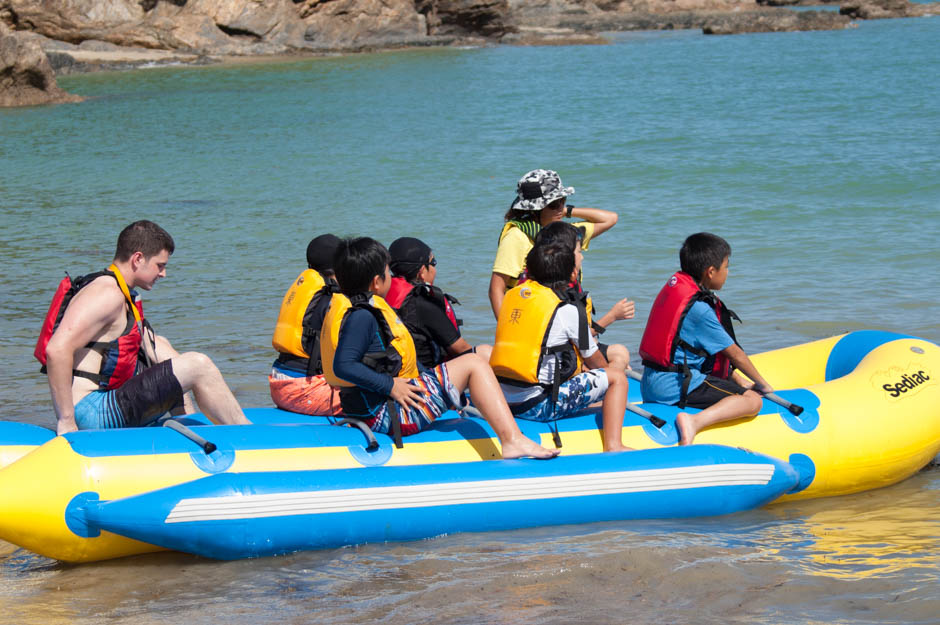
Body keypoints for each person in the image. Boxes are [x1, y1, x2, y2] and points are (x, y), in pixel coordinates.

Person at [319, 236, 558, 459]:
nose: (390, 276)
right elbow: (343, 366)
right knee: (474, 362)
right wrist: (390, 386)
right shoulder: (363, 317)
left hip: (378, 409)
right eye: (386, 271)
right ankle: (512, 439)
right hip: (389, 416)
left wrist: (436, 381)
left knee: (468, 364)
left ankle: (497, 420)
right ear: (376, 281)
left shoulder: (362, 309)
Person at [37, 220, 250, 434]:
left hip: (101, 403)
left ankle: (189, 436)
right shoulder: (106, 294)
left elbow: (156, 350)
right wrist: (66, 422)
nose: (163, 274)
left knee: (164, 351)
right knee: (199, 365)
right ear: (138, 259)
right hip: (92, 412)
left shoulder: (120, 290)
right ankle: (248, 435)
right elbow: (57, 349)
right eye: (160, 265)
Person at [489, 238, 631, 452]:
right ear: (572, 275)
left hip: (502, 399)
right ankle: (614, 444)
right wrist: (609, 375)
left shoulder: (511, 296)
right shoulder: (567, 309)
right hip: (538, 406)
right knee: (617, 379)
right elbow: (595, 361)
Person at [638, 232, 773, 445]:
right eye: (726, 267)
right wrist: (763, 385)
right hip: (676, 388)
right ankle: (695, 422)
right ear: (711, 272)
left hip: (652, 383)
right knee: (753, 400)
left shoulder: (677, 289)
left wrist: (739, 380)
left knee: (734, 383)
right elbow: (734, 354)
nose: (728, 273)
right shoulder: (700, 310)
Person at [489, 169, 618, 318]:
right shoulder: (517, 236)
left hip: (563, 319)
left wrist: (566, 211)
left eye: (562, 201)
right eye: (554, 204)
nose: (559, 208)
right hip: (530, 317)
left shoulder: (567, 234)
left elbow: (610, 219)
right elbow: (496, 290)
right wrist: (506, 330)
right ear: (534, 209)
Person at [526, 222, 633, 372]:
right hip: (561, 361)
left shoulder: (531, 289)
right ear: (563, 254)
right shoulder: (560, 299)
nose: (582, 257)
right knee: (616, 375)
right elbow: (579, 339)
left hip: (567, 351)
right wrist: (612, 316)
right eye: (579, 251)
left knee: (620, 353)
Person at [385, 236, 492, 368]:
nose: (435, 269)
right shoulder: (422, 304)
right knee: (485, 352)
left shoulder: (382, 298)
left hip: (395, 376)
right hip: (424, 378)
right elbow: (460, 348)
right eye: (433, 263)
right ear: (422, 272)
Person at [269, 234, 343, 415]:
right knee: (376, 399)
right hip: (305, 391)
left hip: (279, 384)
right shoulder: (330, 297)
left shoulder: (305, 287)